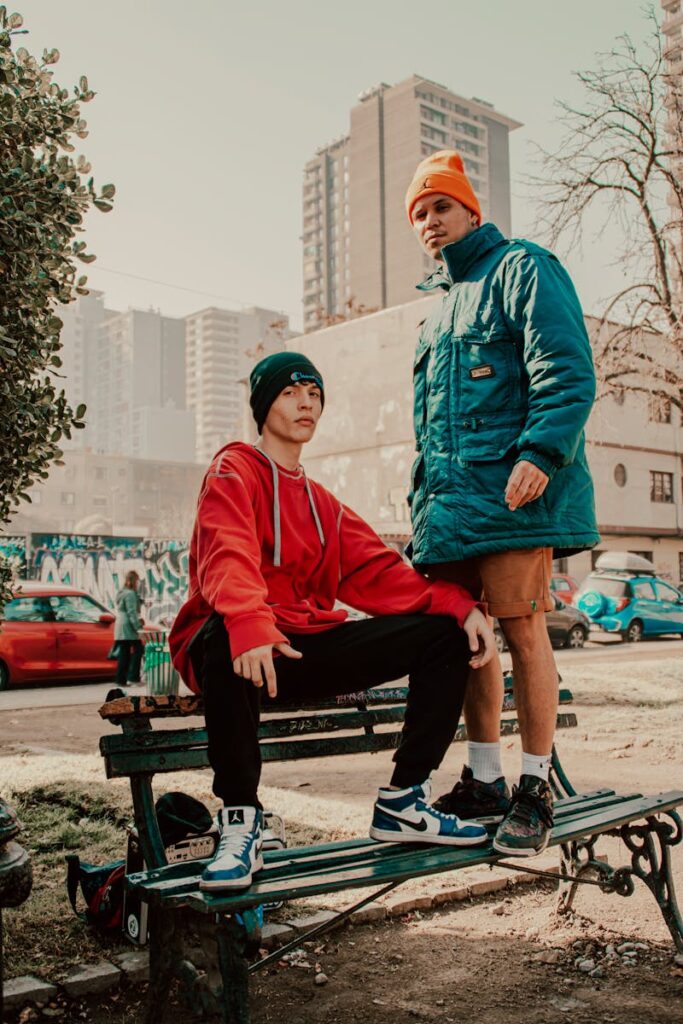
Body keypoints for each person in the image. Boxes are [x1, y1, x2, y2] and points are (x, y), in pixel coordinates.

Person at [169, 351, 496, 891]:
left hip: (301, 651)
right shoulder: (234, 469)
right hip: (236, 651)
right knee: (228, 631)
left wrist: (459, 607)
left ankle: (403, 800)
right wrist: (250, 620)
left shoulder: (321, 503)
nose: (306, 403)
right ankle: (241, 822)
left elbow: (380, 570)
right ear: (263, 404)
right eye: (291, 391)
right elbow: (225, 552)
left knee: (443, 635)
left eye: (315, 394)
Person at [404, 151, 599, 857]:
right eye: (419, 213)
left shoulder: (521, 267)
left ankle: (533, 787)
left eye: (440, 207)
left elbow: (566, 368)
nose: (429, 222)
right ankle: (483, 780)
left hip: (513, 498)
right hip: (451, 514)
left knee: (522, 634)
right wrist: (422, 512)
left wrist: (540, 453)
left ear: (471, 211)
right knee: (468, 641)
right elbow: (432, 434)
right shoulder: (436, 316)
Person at [114, 570, 144, 686]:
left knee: (124, 653)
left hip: (120, 624)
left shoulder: (121, 592)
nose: (138, 583)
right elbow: (132, 612)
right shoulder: (130, 594)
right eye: (137, 581)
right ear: (133, 581)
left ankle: (121, 679)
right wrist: (138, 628)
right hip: (127, 625)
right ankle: (133, 677)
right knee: (138, 649)